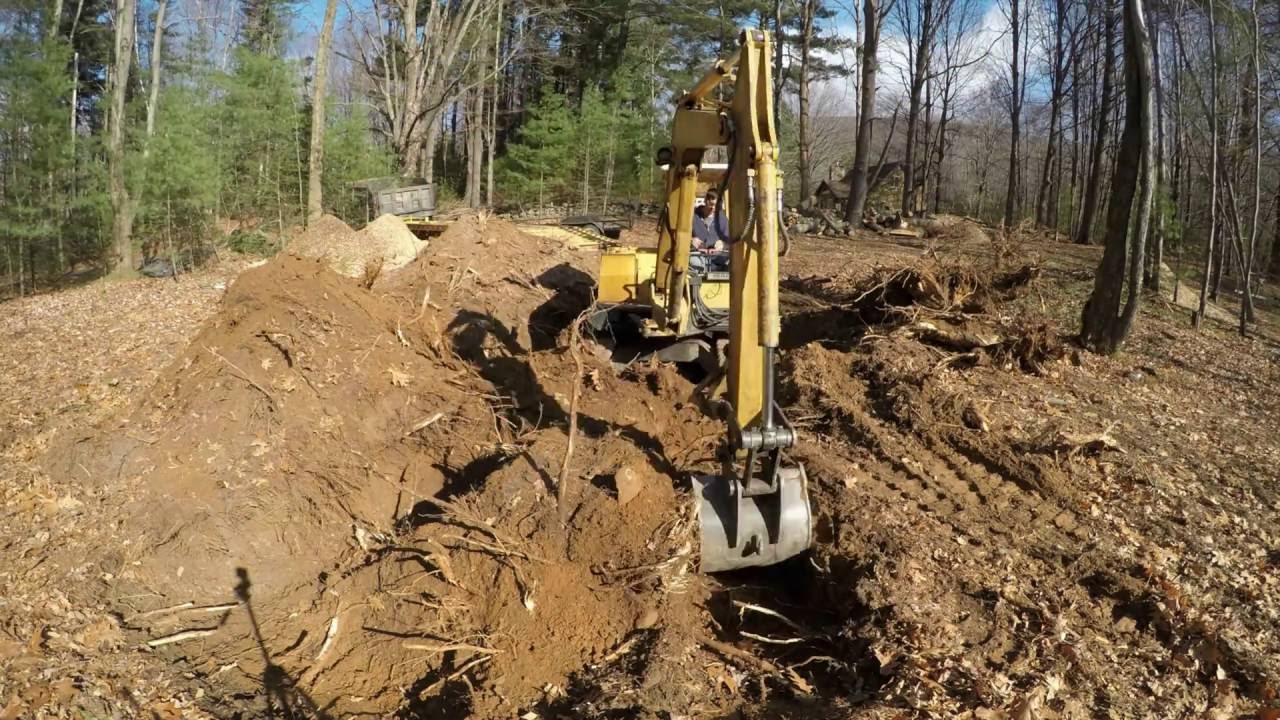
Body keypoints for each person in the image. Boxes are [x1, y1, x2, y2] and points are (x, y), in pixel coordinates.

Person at [691, 189, 730, 271]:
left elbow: (729, 241)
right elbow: (681, 235)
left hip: (717, 258)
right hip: (698, 257)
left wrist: (723, 244)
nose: (713, 208)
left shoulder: (722, 219)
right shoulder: (693, 216)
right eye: (711, 205)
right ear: (706, 200)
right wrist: (691, 240)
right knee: (693, 262)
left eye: (717, 206)